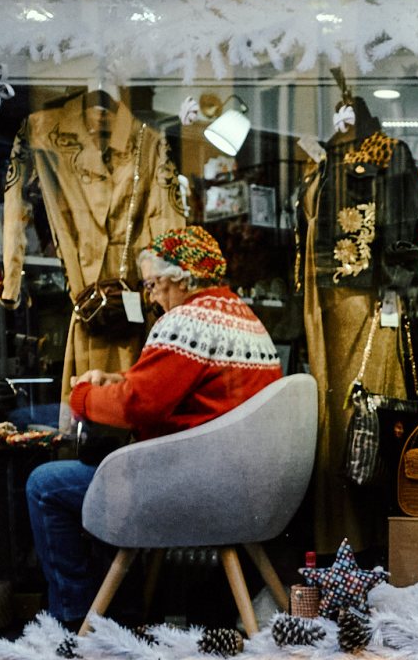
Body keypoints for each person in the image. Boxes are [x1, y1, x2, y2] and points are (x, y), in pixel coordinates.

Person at [26, 226, 282, 628]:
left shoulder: (188, 321)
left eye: (152, 285)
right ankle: (122, 611)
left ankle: (76, 617)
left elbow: (137, 407)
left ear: (181, 278)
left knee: (46, 485)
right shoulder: (244, 317)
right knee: (104, 474)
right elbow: (178, 388)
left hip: (193, 489)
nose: (151, 297)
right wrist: (118, 380)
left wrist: (82, 397)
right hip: (243, 487)